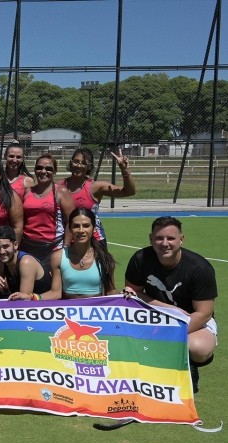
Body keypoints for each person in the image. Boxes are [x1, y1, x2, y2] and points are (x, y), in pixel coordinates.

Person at [123, 216, 217, 392]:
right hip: (152, 316)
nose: (164, 243)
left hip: (193, 322)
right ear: (151, 238)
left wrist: (169, 333)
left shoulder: (200, 268)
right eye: (159, 238)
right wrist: (169, 308)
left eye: (171, 238)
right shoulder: (141, 259)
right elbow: (132, 293)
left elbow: (203, 313)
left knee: (198, 348)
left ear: (181, 239)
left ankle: (190, 367)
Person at [61, 147, 135, 249]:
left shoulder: (95, 187)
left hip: (94, 240)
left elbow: (129, 191)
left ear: (89, 166)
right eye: (76, 161)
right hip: (67, 240)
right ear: (71, 162)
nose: (79, 165)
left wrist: (124, 169)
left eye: (83, 163)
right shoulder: (58, 187)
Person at [19, 154, 75, 266]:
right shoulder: (27, 192)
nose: (43, 171)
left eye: (49, 169)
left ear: (54, 172)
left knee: (51, 282)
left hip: (52, 248)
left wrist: (66, 248)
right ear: (35, 170)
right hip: (28, 246)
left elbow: (71, 222)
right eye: (39, 168)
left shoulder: (61, 192)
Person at [48, 209, 117, 299]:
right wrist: (33, 297)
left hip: (95, 311)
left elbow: (111, 291)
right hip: (68, 311)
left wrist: (127, 295)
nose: (81, 230)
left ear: (94, 228)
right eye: (76, 226)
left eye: (86, 226)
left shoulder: (104, 257)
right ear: (70, 229)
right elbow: (55, 293)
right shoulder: (58, 257)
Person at [0, 225, 53, 301]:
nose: (2, 252)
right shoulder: (2, 263)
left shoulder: (26, 263)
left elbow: (23, 301)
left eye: (6, 246)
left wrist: (6, 290)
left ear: (15, 245)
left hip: (43, 307)